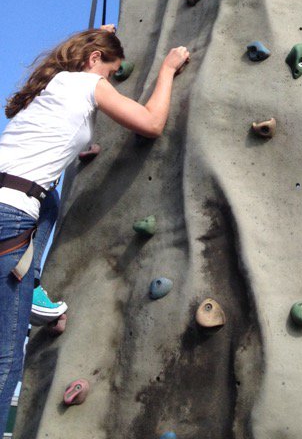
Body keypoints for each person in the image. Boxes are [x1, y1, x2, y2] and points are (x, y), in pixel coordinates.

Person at [0, 28, 189, 427]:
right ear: (93, 61)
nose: (109, 80)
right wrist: (168, 69)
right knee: (7, 355)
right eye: (110, 71)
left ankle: (33, 286)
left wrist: (99, 37)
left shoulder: (51, 84)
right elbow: (151, 123)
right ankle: (30, 290)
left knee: (49, 199)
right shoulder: (87, 84)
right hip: (11, 214)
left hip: (12, 202)